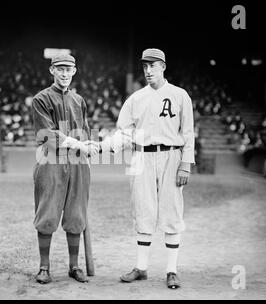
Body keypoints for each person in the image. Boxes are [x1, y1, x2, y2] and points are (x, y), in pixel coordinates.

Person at [99, 48, 195, 289]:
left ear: (163, 66)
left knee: (172, 211)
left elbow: (187, 133)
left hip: (172, 156)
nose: (148, 70)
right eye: (144, 66)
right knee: (143, 209)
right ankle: (141, 267)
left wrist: (185, 164)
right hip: (142, 156)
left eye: (153, 65)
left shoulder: (180, 95)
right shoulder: (135, 99)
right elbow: (123, 133)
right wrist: (103, 147)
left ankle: (171, 270)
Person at [31, 53, 99, 284]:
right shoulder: (41, 99)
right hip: (50, 161)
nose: (64, 73)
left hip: (78, 164)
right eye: (59, 68)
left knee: (76, 215)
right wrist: (77, 143)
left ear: (74, 71)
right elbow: (47, 135)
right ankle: (44, 267)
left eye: (68, 69)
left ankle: (74, 266)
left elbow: (86, 131)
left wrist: (88, 145)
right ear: (52, 71)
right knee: (47, 213)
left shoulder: (80, 101)